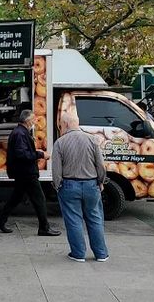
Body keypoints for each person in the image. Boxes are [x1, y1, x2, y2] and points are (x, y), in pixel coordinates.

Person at [0, 109, 61, 236]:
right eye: (33, 119)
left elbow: (22, 152)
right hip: (26, 173)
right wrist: (40, 154)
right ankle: (44, 228)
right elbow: (21, 154)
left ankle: (0, 220)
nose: (35, 121)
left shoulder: (21, 132)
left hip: (22, 172)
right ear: (28, 120)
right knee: (39, 199)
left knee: (16, 198)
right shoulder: (20, 134)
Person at [52, 112, 109, 262]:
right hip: (91, 184)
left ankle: (78, 254)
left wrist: (58, 186)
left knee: (73, 220)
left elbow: (56, 170)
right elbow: (100, 165)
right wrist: (101, 181)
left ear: (65, 124)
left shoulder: (60, 143)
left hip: (69, 185)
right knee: (95, 219)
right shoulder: (92, 140)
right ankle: (101, 254)